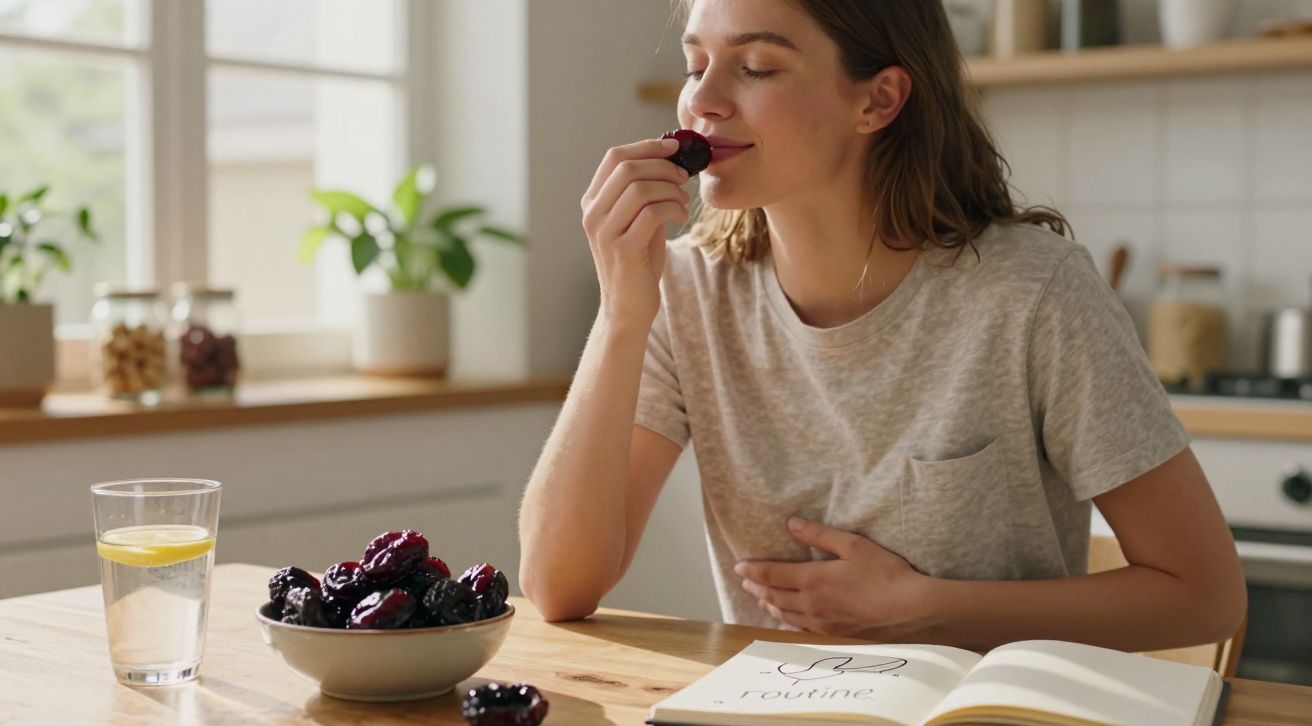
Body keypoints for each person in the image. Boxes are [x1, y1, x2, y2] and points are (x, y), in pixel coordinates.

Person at [518, 0, 1246, 653]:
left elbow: (1204, 596)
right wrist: (622, 315)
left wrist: (927, 608)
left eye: (757, 66)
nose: (702, 101)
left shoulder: (1033, 293)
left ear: (879, 99)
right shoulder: (683, 290)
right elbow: (558, 586)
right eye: (695, 64)